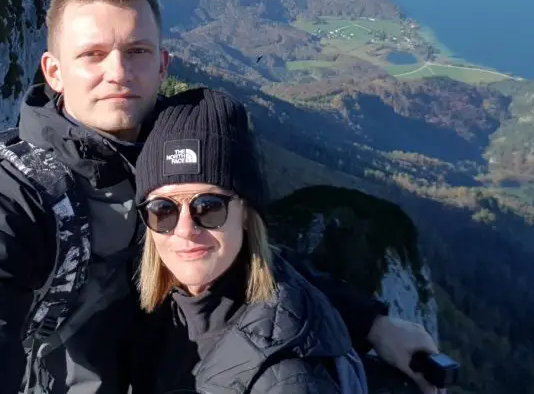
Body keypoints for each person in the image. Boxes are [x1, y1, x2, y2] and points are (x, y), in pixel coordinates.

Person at [0, 0, 440, 394]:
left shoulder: (172, 150)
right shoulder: (12, 187)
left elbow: (246, 253)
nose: (117, 71)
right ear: (53, 71)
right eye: (92, 54)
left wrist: (372, 322)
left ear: (162, 64)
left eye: (136, 52)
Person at [132, 86, 368, 394]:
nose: (185, 229)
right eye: (162, 209)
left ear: (245, 211)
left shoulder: (288, 378)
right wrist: (371, 321)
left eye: (208, 206)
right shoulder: (160, 313)